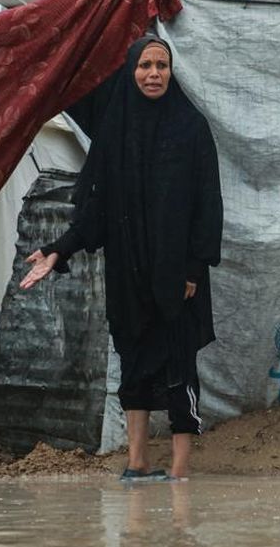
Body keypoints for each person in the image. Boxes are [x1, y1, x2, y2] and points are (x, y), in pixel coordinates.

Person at [20, 35, 223, 482]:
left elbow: (208, 204)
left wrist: (193, 267)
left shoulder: (191, 128)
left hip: (178, 275)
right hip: (128, 273)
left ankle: (180, 470)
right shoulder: (115, 132)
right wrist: (59, 248)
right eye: (145, 66)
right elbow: (98, 212)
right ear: (131, 72)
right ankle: (137, 462)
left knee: (178, 365)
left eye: (162, 65)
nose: (154, 74)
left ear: (172, 72)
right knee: (132, 360)